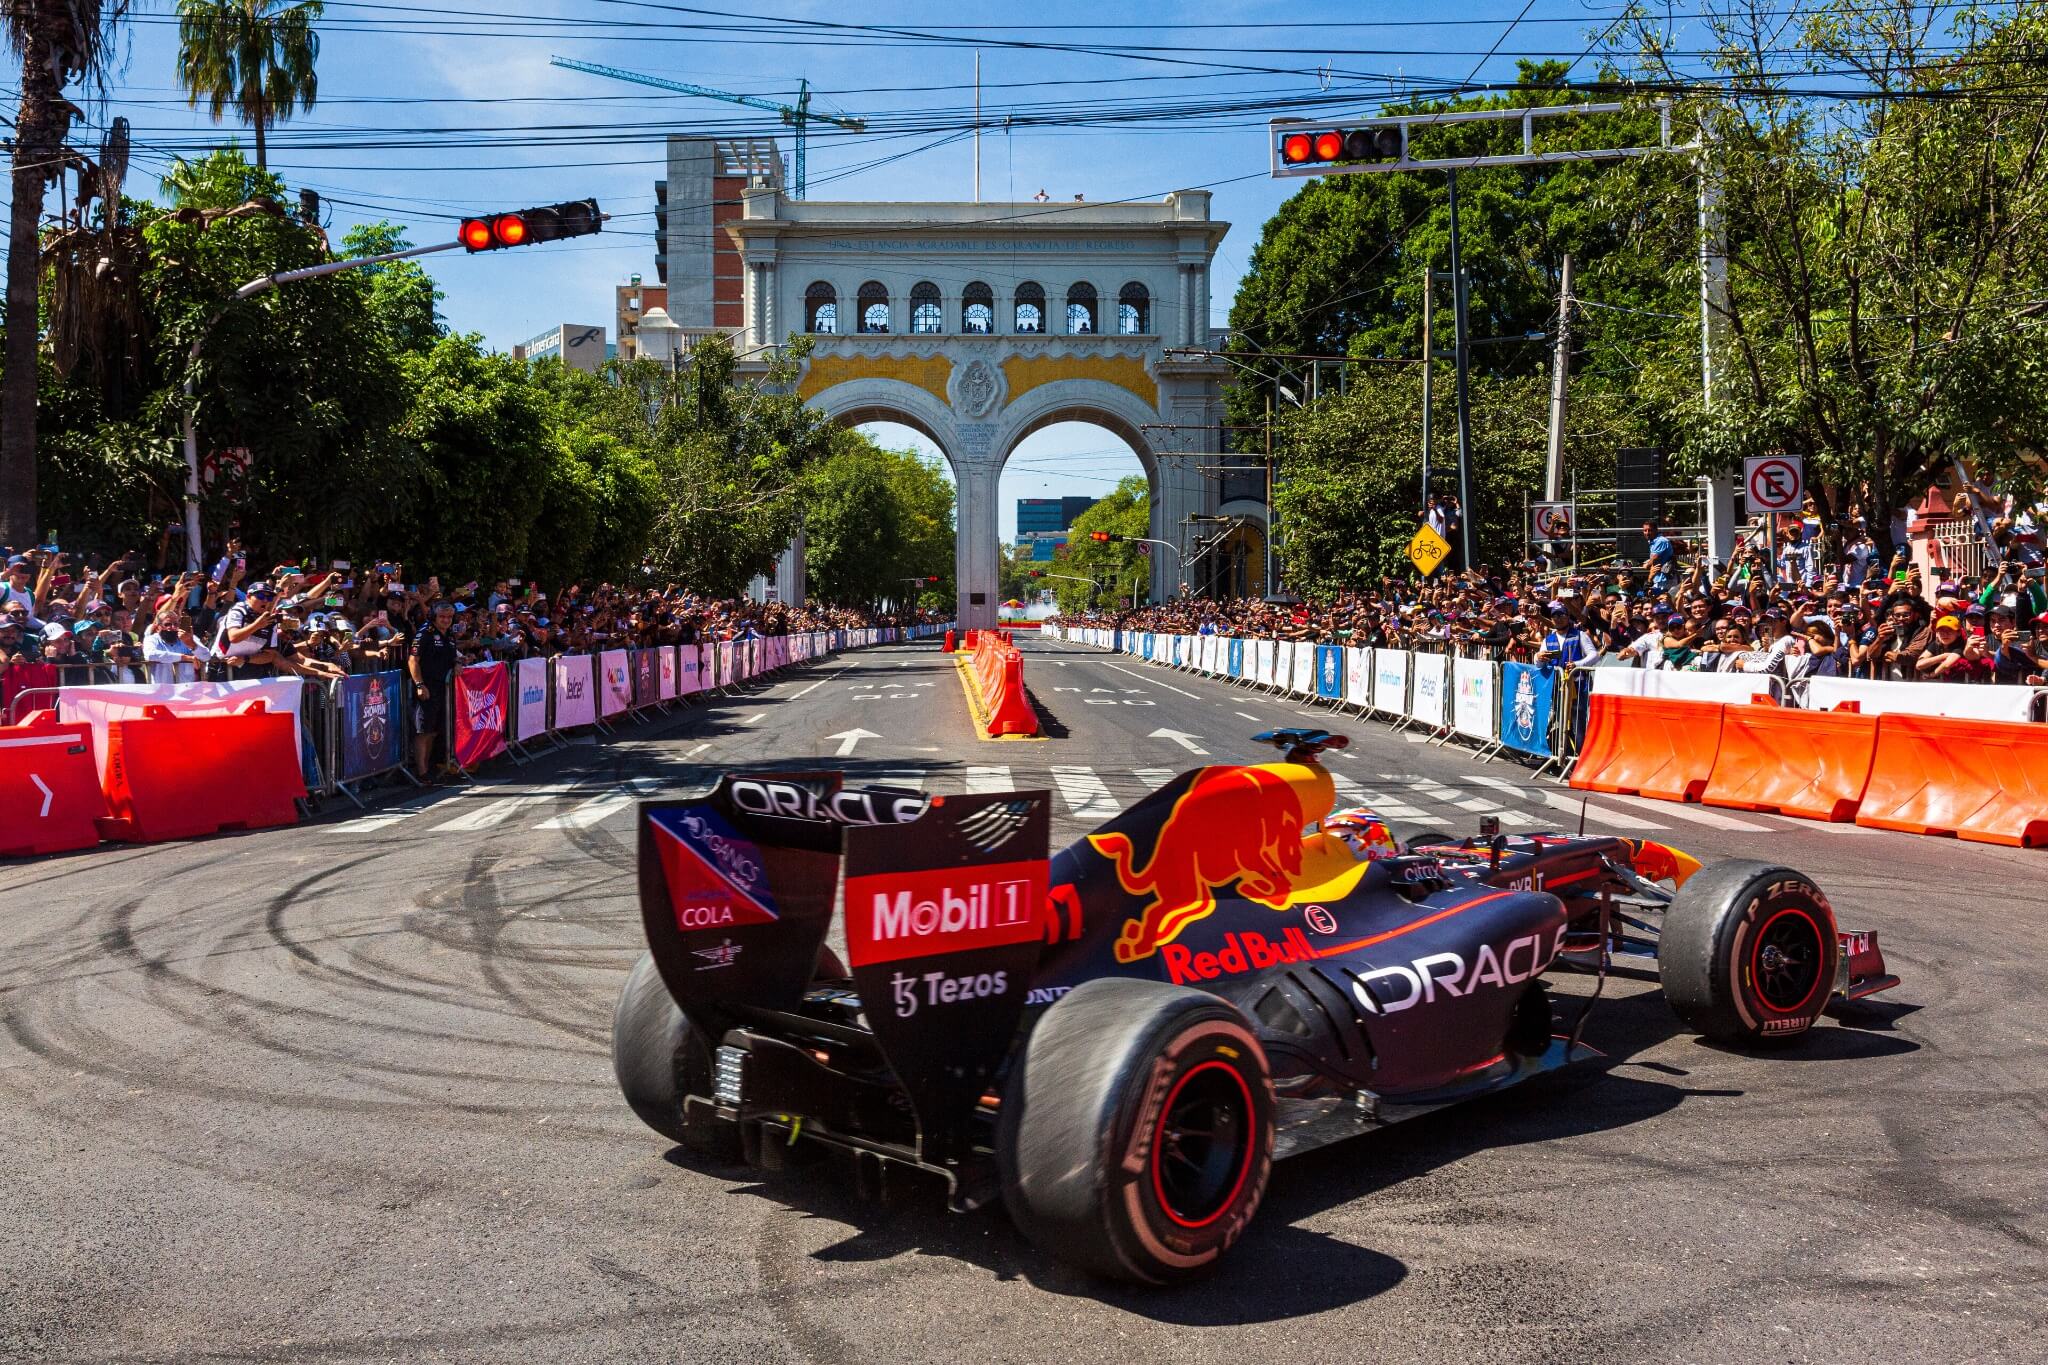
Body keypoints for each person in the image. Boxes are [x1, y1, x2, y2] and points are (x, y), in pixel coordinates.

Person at [409, 599, 460, 779]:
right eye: (442, 617)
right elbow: (413, 660)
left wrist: (458, 663)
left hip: (443, 689)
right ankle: (421, 772)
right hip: (427, 687)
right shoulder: (425, 634)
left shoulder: (450, 635)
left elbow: (452, 657)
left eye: (449, 617)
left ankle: (428, 768)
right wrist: (419, 685)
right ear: (434, 616)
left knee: (434, 730)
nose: (446, 620)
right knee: (423, 730)